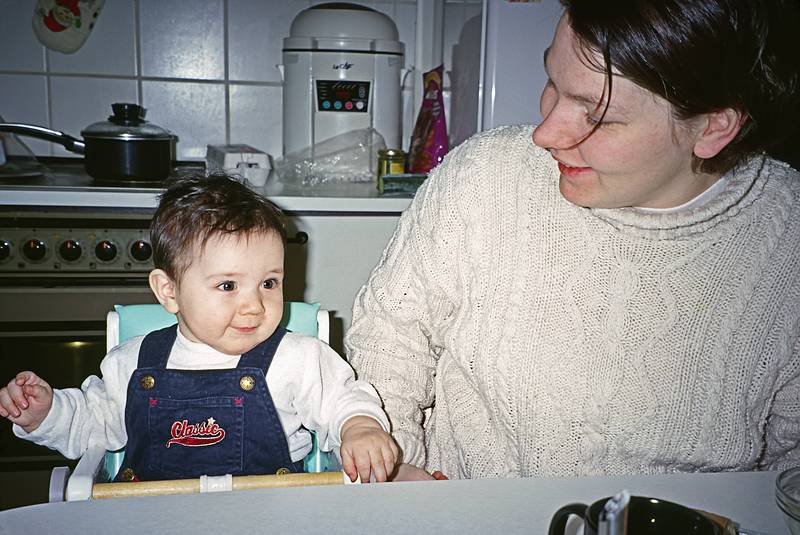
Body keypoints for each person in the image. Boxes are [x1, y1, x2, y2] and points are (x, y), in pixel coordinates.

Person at [346, 0, 800, 480]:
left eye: (597, 116)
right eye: (552, 83)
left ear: (713, 127)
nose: (545, 133)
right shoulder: (485, 176)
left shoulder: (786, 239)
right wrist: (396, 469)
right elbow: (390, 337)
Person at [0, 173, 398, 483]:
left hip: (270, 516)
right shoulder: (133, 363)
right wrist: (47, 413)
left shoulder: (298, 358)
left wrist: (360, 427)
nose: (254, 304)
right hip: (156, 519)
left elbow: (344, 399)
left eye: (269, 283)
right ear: (169, 291)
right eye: (228, 285)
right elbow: (92, 423)